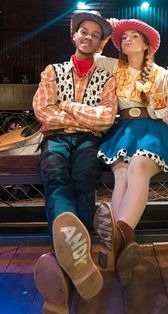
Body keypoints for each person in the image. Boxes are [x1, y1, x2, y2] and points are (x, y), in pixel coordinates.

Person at [92, 19, 168, 285]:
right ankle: (122, 245)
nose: (128, 39)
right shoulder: (114, 66)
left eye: (134, 36)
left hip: (152, 131)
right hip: (123, 131)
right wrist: (108, 31)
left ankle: (116, 239)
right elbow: (95, 55)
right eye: (125, 37)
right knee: (121, 174)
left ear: (146, 45)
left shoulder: (158, 72)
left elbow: (162, 113)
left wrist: (167, 78)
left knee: (138, 166)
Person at [32, 10, 117, 313]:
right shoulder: (52, 71)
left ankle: (67, 257)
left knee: (84, 180)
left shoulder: (107, 78)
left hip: (87, 141)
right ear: (74, 36)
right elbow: (43, 111)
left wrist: (66, 107)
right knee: (56, 178)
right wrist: (83, 116)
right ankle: (74, 253)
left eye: (95, 35)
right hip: (56, 138)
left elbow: (106, 118)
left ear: (100, 44)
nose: (89, 37)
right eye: (84, 32)